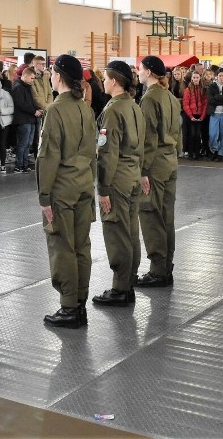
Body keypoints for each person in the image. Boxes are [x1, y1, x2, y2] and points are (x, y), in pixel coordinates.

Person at [38, 54, 97, 328]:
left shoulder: (55, 110)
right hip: (84, 183)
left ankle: (68, 306)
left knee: (62, 246)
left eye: (52, 71)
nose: (50, 75)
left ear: (59, 76)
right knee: (82, 246)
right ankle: (80, 302)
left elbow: (48, 156)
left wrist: (44, 196)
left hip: (62, 188)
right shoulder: (86, 108)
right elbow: (93, 153)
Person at [91, 61, 145, 307]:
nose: (103, 81)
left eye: (105, 78)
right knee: (131, 232)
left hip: (117, 179)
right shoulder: (133, 107)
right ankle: (129, 281)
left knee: (117, 233)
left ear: (113, 81)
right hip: (132, 175)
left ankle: (120, 288)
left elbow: (107, 153)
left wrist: (102, 188)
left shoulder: (112, 110)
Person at [136, 56, 182, 288]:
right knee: (167, 215)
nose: (138, 72)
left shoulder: (149, 99)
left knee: (151, 215)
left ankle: (157, 269)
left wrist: (143, 170)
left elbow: (148, 139)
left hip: (154, 165)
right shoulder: (171, 97)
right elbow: (178, 132)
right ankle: (166, 266)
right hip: (170, 161)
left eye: (141, 69)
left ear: (150, 72)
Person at [11, 67, 41, 173]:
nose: (33, 81)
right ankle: (19, 164)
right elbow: (21, 104)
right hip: (23, 120)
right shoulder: (18, 87)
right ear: (26, 76)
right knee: (22, 143)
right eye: (32, 78)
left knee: (28, 143)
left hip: (30, 119)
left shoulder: (27, 87)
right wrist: (34, 111)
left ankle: (25, 163)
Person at [206, 70, 223, 162]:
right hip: (214, 114)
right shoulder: (211, 86)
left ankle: (221, 153)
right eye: (220, 75)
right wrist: (222, 98)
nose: (221, 77)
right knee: (212, 134)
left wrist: (216, 97)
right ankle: (215, 150)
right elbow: (210, 100)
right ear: (216, 76)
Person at [181, 71, 207, 160]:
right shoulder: (187, 90)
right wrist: (191, 116)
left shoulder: (203, 89)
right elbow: (185, 104)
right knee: (192, 134)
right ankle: (191, 153)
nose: (196, 79)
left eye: (197, 77)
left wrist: (202, 116)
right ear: (192, 79)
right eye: (194, 78)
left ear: (200, 79)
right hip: (190, 116)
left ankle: (197, 152)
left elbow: (205, 104)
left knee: (198, 135)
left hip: (199, 115)